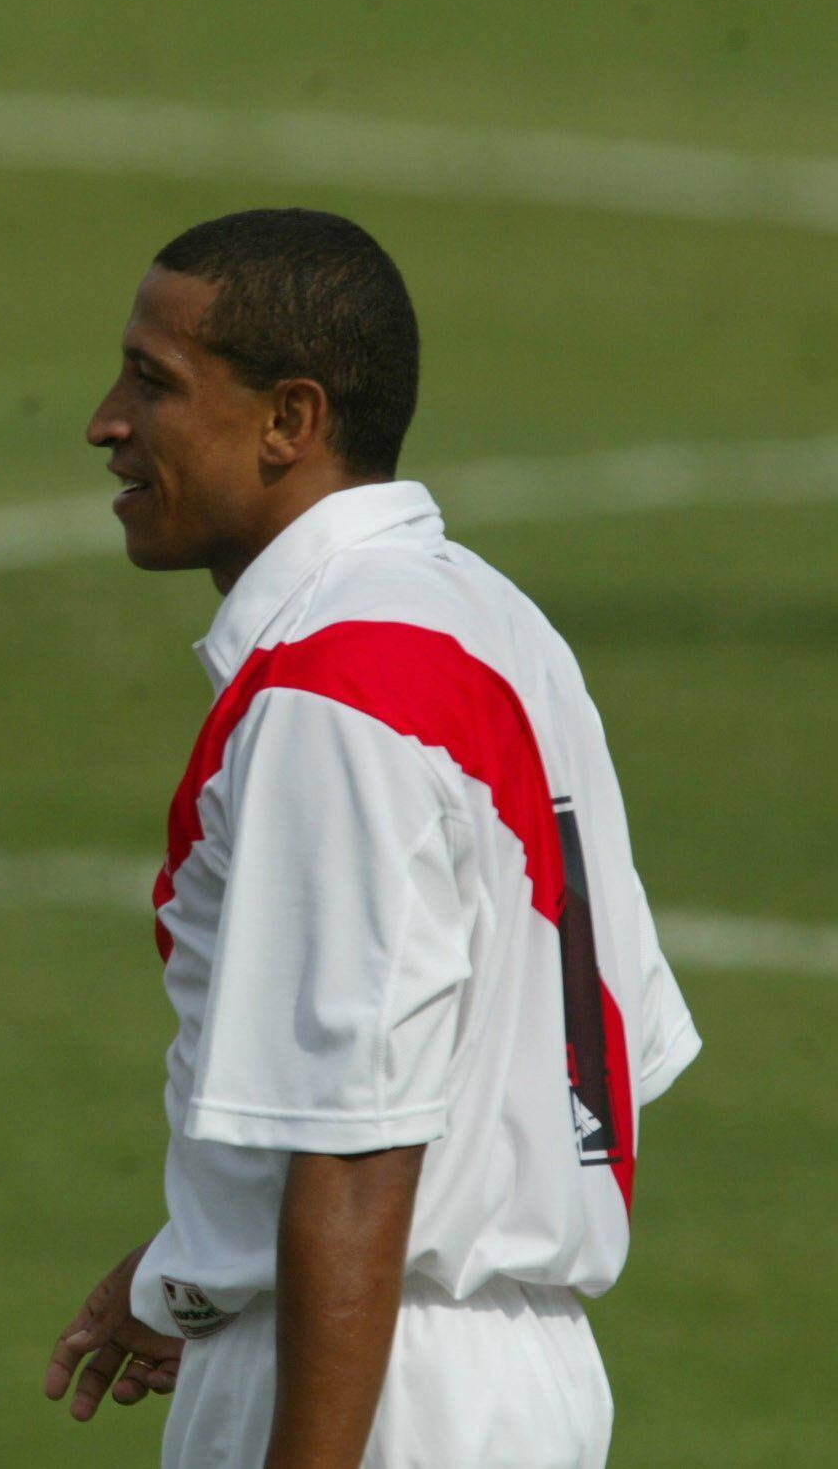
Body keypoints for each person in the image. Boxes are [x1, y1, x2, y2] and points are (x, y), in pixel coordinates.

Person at [41, 209, 700, 1468]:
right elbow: (582, 1065)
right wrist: (197, 1265)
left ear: (291, 420)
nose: (106, 420)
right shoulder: (493, 621)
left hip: (374, 1382)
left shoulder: (333, 693)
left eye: (154, 381)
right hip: (507, 1374)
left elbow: (355, 1149)